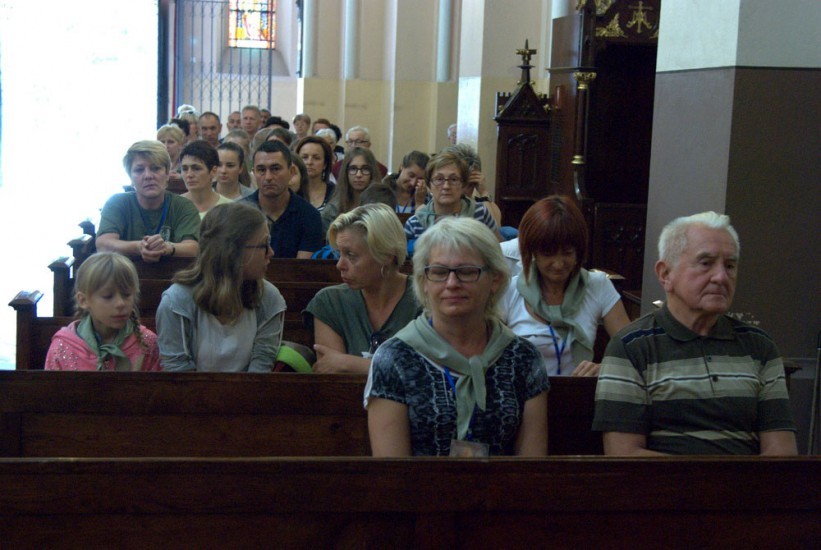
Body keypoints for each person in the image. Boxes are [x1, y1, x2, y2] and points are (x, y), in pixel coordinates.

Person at [592, 211, 797, 456]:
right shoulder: (631, 346)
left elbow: (781, 453)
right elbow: (623, 455)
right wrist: (713, 478)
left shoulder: (759, 346)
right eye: (706, 263)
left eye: (730, 266)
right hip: (662, 482)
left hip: (749, 482)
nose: (721, 277)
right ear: (665, 274)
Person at [365, 217, 550, 456]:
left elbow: (531, 466)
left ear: (495, 280)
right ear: (423, 282)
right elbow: (392, 469)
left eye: (467, 272)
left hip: (505, 482)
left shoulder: (523, 357)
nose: (452, 283)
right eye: (439, 272)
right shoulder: (394, 358)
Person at [499, 196, 630, 376]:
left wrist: (604, 369)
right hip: (523, 391)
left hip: (578, 390)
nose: (558, 264)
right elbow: (488, 355)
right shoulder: (509, 290)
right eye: (548, 254)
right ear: (532, 252)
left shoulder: (598, 285)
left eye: (567, 253)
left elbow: (632, 353)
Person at [156, 202, 286, 372]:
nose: (271, 253)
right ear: (233, 252)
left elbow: (260, 370)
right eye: (264, 245)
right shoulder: (176, 302)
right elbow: (179, 374)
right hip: (190, 389)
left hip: (249, 389)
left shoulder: (268, 297)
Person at [305, 204, 419, 375]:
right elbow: (332, 374)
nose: (339, 265)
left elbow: (426, 375)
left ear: (387, 255)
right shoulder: (330, 302)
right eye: (339, 254)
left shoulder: (424, 298)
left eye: (351, 255)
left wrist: (348, 362)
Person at [45, 252, 161, 371]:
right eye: (108, 296)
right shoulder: (62, 347)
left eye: (126, 295)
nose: (120, 303)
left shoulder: (147, 344)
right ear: (83, 300)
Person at [97, 140, 200, 262]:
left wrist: (167, 248)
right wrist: (138, 247)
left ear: (167, 174)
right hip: (124, 273)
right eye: (139, 170)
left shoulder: (184, 206)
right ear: (130, 177)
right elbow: (103, 245)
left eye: (155, 169)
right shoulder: (116, 203)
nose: (148, 176)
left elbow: (193, 248)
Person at [240, 140, 323, 258]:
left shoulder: (309, 215)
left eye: (275, 169)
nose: (268, 177)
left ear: (291, 172)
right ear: (254, 173)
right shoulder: (238, 214)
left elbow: (304, 266)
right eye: (261, 170)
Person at [403, 151, 501, 247]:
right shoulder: (415, 223)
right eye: (439, 179)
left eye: (454, 179)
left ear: (463, 184)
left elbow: (498, 249)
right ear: (429, 185)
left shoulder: (480, 212)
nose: (446, 186)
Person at [320, 147, 380, 235]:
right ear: (346, 172)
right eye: (353, 169)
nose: (359, 175)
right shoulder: (333, 209)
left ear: (372, 172)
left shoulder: (381, 207)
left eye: (365, 169)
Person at [179, 140, 232, 219]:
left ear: (213, 171)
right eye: (185, 169)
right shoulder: (172, 207)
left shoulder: (229, 208)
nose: (189, 175)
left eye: (196, 169)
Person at [295, 136, 335, 212]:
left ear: (325, 164)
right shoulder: (289, 192)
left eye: (316, 158)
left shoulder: (335, 193)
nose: (309, 162)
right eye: (304, 157)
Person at [390, 150, 429, 215]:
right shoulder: (382, 191)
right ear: (401, 166)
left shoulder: (426, 197)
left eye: (420, 179)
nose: (413, 183)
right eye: (411, 175)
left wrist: (420, 202)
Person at [156, 123, 185, 188]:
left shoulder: (186, 162)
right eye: (162, 142)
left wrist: (181, 177)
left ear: (180, 145)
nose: (165, 146)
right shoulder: (154, 163)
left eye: (170, 142)